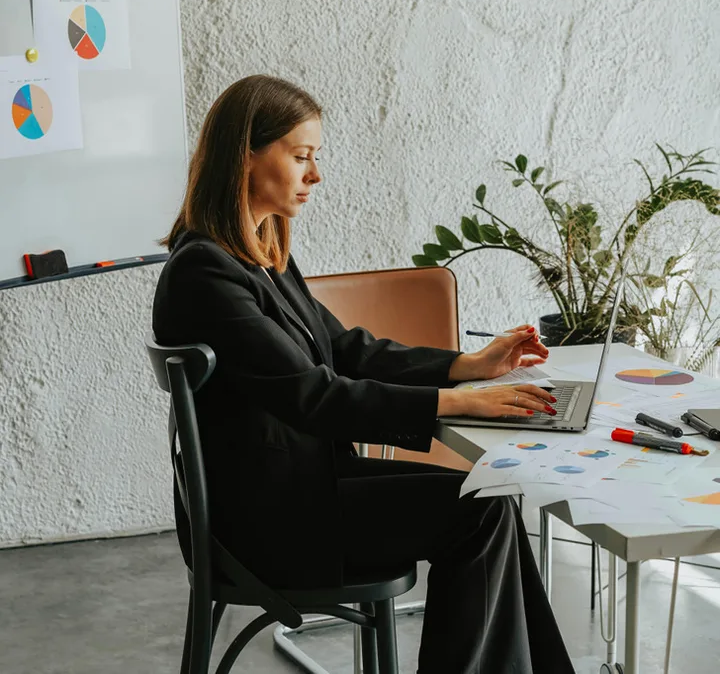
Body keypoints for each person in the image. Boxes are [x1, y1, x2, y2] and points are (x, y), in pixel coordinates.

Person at [152, 74, 575, 673]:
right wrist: (456, 404)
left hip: (302, 489)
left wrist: (466, 366)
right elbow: (315, 398)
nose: (315, 175)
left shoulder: (255, 254)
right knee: (480, 509)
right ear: (244, 154)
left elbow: (346, 348)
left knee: (488, 500)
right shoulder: (206, 275)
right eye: (301, 157)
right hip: (272, 524)